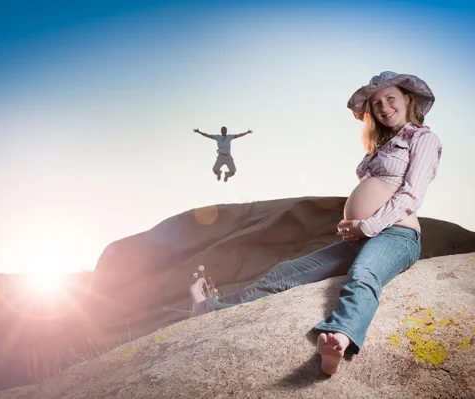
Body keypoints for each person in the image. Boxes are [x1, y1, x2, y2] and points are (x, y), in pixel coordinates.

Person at [189, 71, 442, 375]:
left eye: (391, 98)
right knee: (287, 271)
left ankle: (338, 339)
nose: (384, 107)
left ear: (407, 99)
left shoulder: (423, 138)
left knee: (363, 274)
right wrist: (356, 225)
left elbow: (411, 195)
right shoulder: (384, 146)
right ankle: (209, 309)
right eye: (376, 104)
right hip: (365, 236)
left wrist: (366, 225)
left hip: (397, 235)